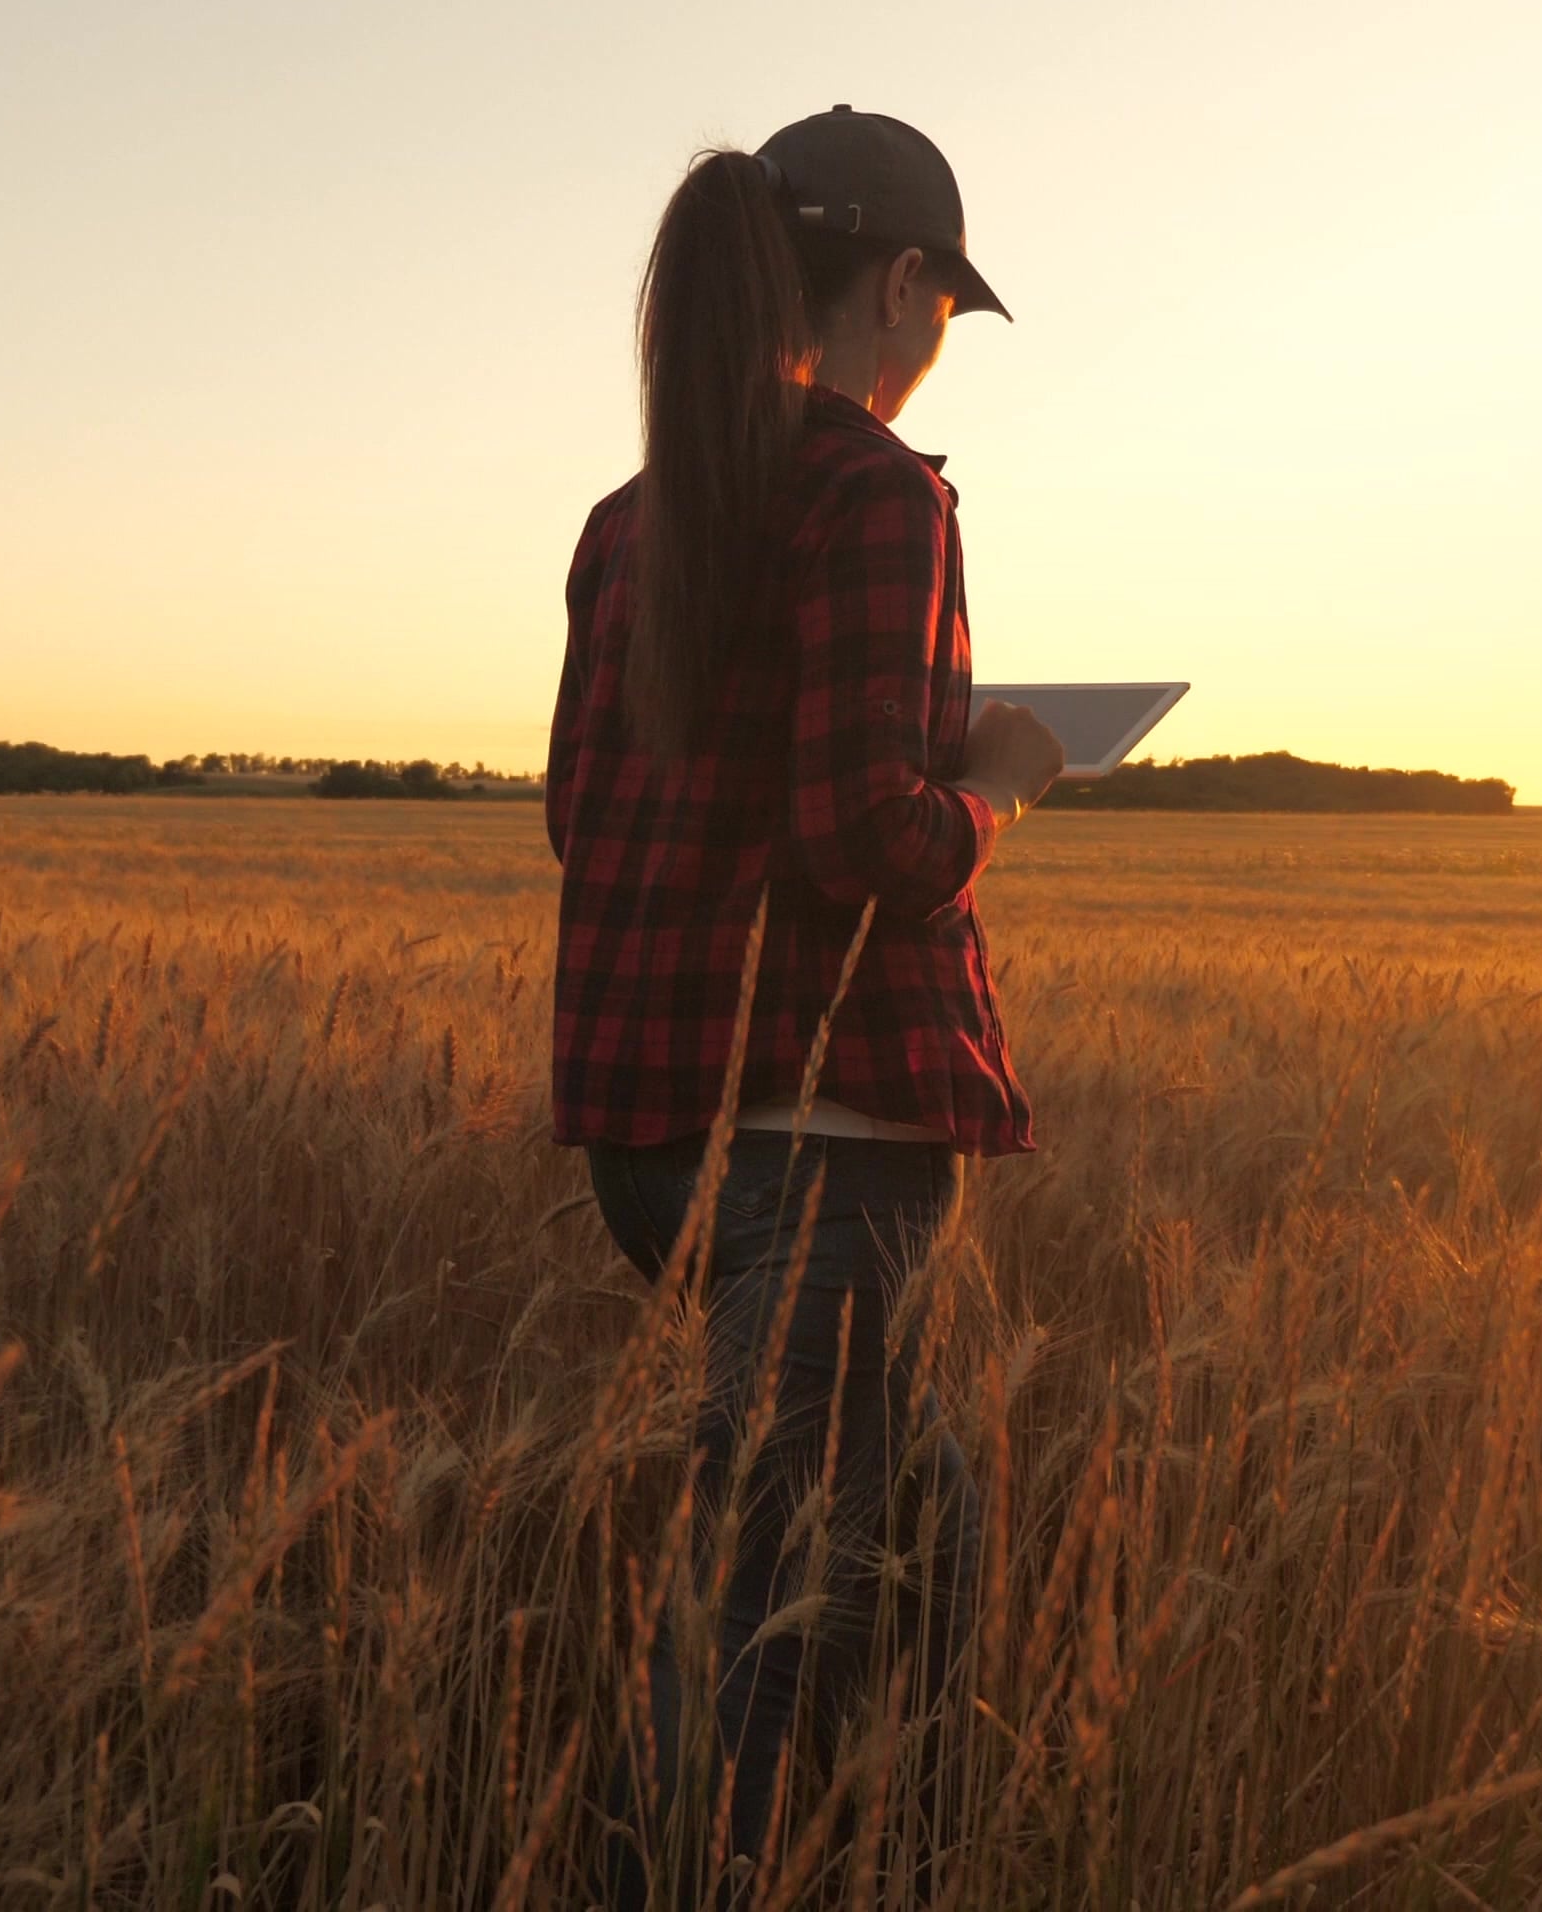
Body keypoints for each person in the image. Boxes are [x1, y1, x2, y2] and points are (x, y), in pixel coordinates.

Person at [545, 105, 1066, 1907]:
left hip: (650, 1140)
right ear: (905, 287)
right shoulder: (876, 496)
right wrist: (1000, 780)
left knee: (922, 1539)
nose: (936, 354)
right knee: (751, 1646)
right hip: (819, 1144)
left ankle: (899, 1864)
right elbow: (866, 834)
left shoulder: (629, 525)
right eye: (940, 313)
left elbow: (576, 816)